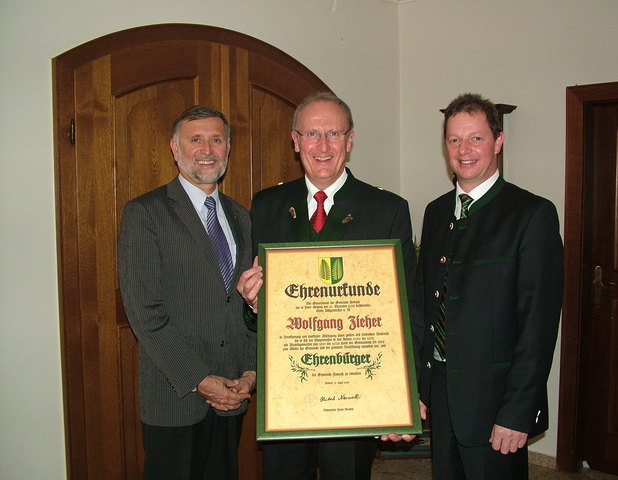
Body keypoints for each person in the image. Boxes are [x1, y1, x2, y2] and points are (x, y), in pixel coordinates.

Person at [237, 92, 417, 480]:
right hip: (287, 386)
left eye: (333, 134)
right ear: (295, 140)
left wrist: (403, 394)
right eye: (312, 134)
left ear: (350, 141)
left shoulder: (387, 210)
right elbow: (257, 313)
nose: (322, 146)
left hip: (354, 390)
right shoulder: (267, 206)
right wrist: (254, 304)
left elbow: (406, 310)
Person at [413, 93, 563, 480]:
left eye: (476, 138)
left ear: (498, 142)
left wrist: (518, 411)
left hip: (497, 404)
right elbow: (425, 306)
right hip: (443, 395)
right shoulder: (436, 212)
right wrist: (416, 386)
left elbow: (538, 327)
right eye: (454, 140)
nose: (464, 150)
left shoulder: (532, 215)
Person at [118, 105, 257, 480]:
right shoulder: (145, 213)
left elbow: (245, 305)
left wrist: (249, 372)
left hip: (231, 393)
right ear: (175, 149)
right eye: (195, 140)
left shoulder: (243, 217)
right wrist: (200, 379)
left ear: (228, 148)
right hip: (175, 395)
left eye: (216, 140)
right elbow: (144, 313)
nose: (207, 150)